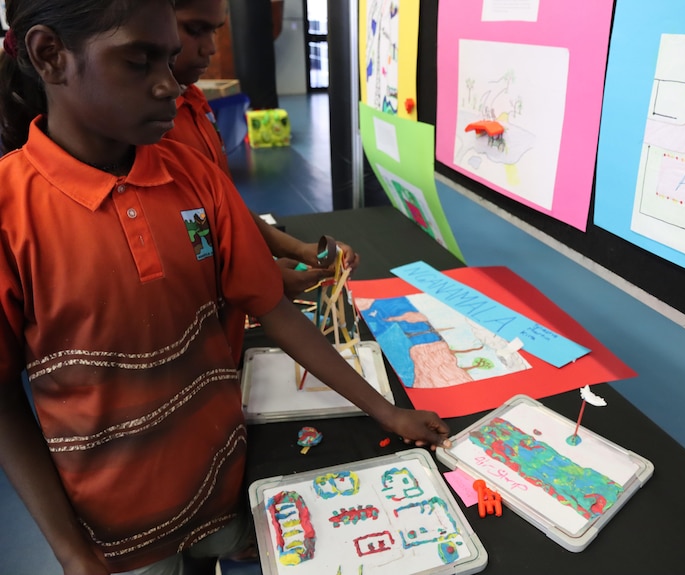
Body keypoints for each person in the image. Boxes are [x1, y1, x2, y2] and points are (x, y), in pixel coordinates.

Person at [0, 2, 450, 575]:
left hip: (225, 487)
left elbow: (272, 307)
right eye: (140, 62)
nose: (169, 85)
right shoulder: (11, 212)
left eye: (167, 59)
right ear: (49, 56)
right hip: (115, 534)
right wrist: (69, 550)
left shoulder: (194, 176)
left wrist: (389, 414)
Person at [165, 0, 354, 299]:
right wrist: (254, 277)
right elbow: (186, 234)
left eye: (215, 31)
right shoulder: (152, 126)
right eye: (196, 30)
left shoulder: (196, 102)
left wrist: (301, 251)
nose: (211, 47)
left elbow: (221, 204)